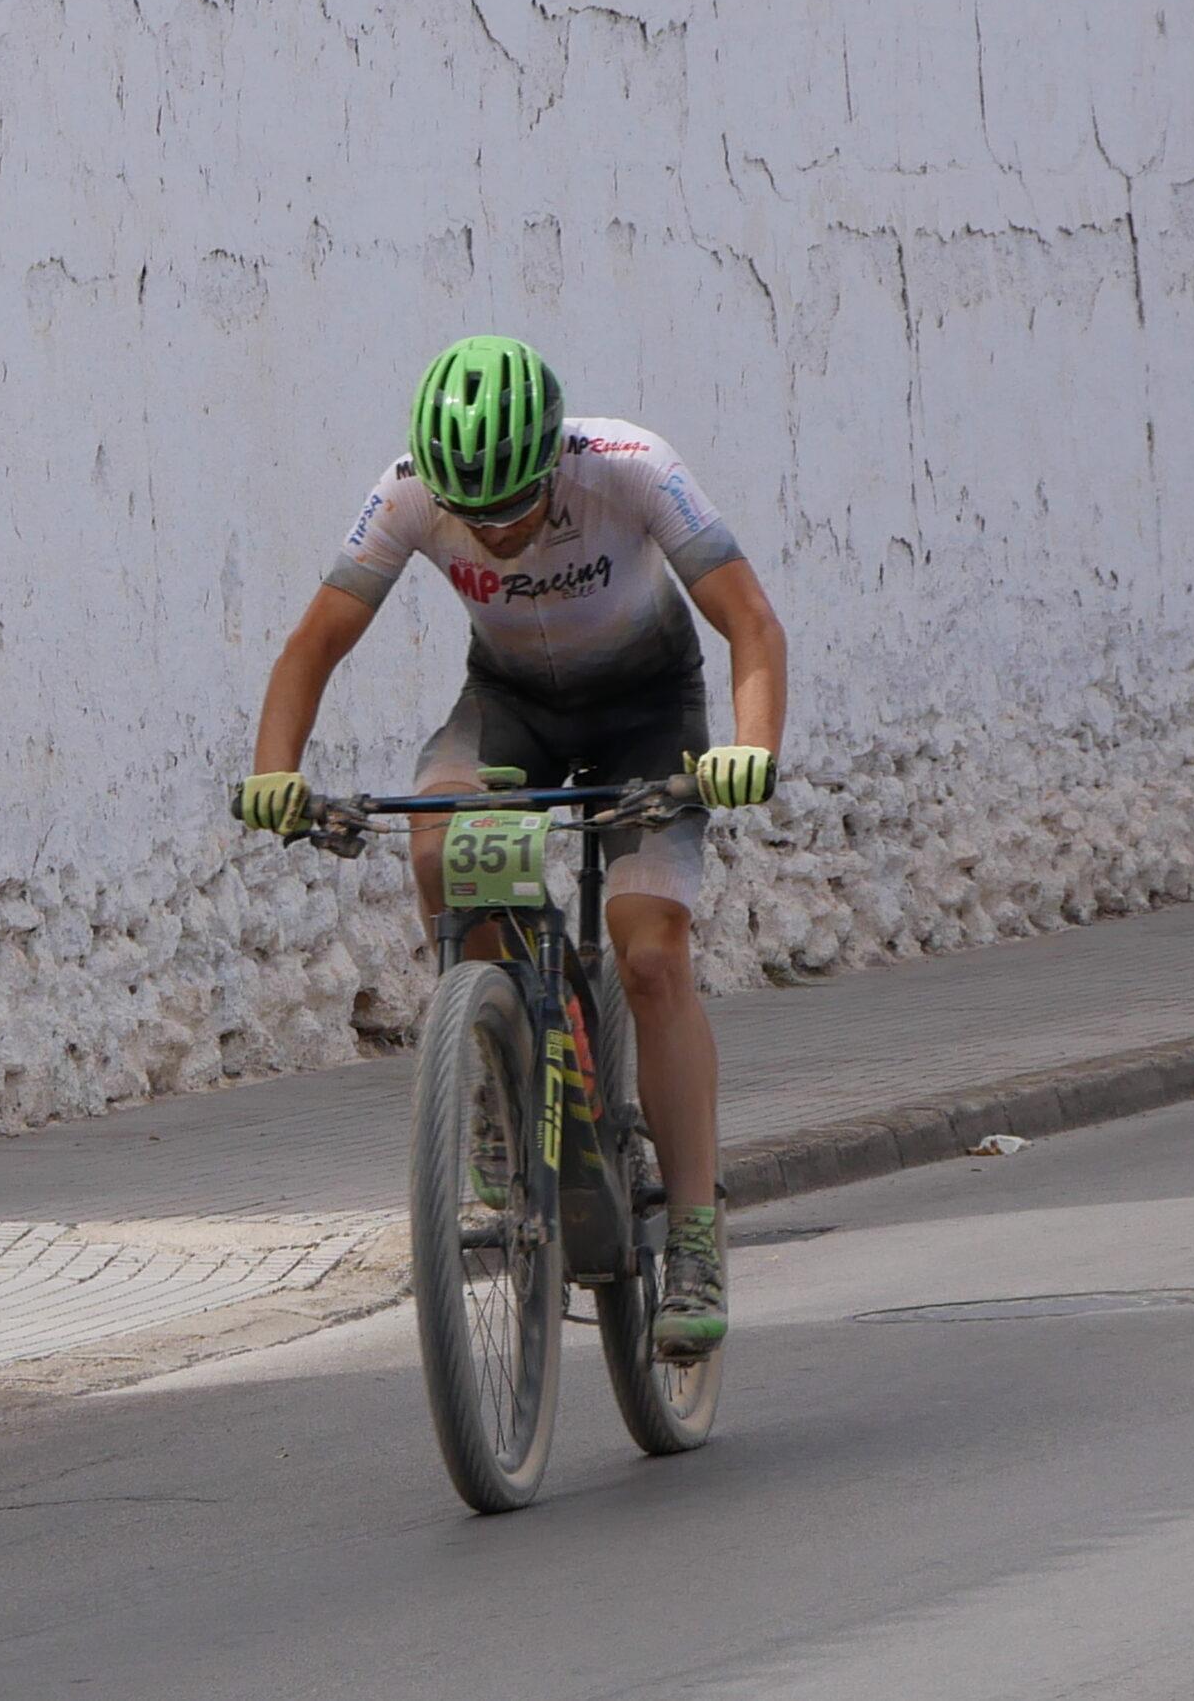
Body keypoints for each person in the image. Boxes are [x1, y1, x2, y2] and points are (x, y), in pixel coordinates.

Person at [233, 335, 787, 1358]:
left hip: (646, 713)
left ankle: (694, 1233)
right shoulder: (408, 491)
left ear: (551, 462)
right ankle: (492, 1073)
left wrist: (749, 749)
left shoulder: (630, 466)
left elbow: (749, 620)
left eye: (514, 508)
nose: (492, 535)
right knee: (437, 846)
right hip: (510, 707)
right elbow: (314, 642)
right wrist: (276, 771)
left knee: (651, 955)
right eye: (470, 515)